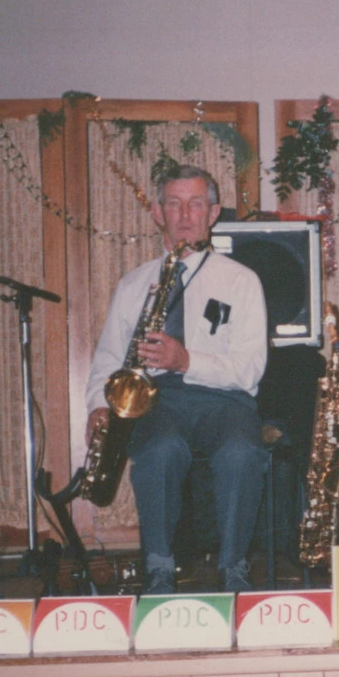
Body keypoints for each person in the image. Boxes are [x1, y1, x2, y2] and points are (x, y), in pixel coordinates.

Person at [86, 164, 268, 593]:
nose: (185, 214)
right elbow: (109, 356)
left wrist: (185, 359)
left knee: (241, 453)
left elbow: (250, 368)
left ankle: (233, 568)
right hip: (156, 399)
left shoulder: (241, 281)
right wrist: (98, 402)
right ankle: (159, 568)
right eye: (174, 203)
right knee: (159, 449)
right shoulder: (133, 285)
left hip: (226, 398)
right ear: (156, 212)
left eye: (196, 203)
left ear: (213, 212)